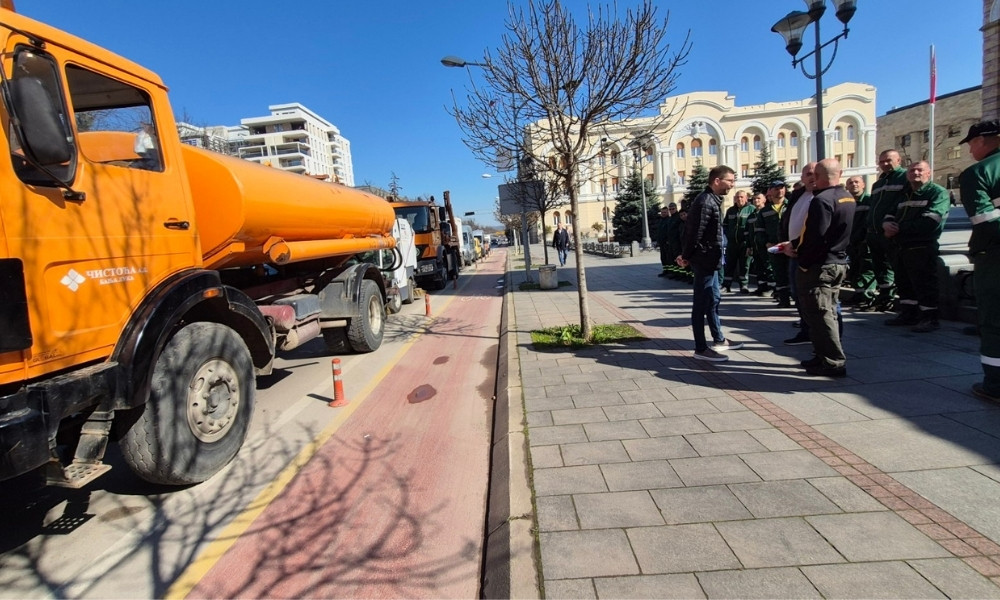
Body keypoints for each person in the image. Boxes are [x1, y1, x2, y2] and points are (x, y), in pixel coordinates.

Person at [793, 158, 855, 377]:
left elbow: (816, 237)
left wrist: (802, 261)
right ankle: (822, 356)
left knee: (820, 315)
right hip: (837, 261)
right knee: (826, 312)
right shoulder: (847, 197)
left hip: (821, 266)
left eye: (814, 176)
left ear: (818, 177)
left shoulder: (822, 200)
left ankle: (833, 362)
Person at [677, 165, 744, 362]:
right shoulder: (705, 202)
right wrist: (686, 256)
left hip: (712, 260)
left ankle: (718, 338)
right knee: (701, 303)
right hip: (704, 260)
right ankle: (700, 348)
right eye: (730, 181)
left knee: (713, 298)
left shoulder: (713, 200)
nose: (732, 185)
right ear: (717, 181)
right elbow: (694, 233)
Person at [958, 119, 1000, 402]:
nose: (970, 149)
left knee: (995, 320)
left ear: (985, 140)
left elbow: (985, 221)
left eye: (971, 143)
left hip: (995, 257)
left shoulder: (978, 172)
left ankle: (995, 385)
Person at [882, 161, 950, 332]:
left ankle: (930, 318)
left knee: (924, 283)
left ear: (929, 173)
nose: (915, 173)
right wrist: (886, 224)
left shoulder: (937, 192)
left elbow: (930, 221)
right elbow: (889, 213)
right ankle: (909, 313)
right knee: (904, 282)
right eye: (912, 170)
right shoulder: (904, 193)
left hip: (921, 246)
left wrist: (898, 229)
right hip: (900, 246)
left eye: (920, 170)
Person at [867, 150, 908, 311]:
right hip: (874, 233)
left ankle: (893, 298)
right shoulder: (878, 183)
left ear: (898, 160)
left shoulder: (904, 177)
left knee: (894, 268)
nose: (884, 164)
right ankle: (884, 297)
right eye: (881, 161)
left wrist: (890, 222)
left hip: (890, 233)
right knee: (880, 268)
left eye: (888, 160)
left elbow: (902, 202)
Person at [845, 175, 877, 310]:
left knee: (867, 269)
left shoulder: (870, 201)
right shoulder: (847, 203)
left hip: (865, 242)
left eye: (857, 182)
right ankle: (858, 295)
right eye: (851, 183)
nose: (854, 185)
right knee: (855, 269)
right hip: (851, 243)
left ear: (863, 184)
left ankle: (868, 297)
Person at [760, 181, 789, 304]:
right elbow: (760, 231)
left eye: (781, 188)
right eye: (776, 189)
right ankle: (783, 299)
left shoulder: (791, 206)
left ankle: (797, 300)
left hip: (791, 246)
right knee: (779, 273)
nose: (779, 191)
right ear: (770, 191)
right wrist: (766, 243)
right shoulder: (764, 211)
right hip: (774, 247)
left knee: (793, 273)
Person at [722, 190, 754, 293]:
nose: (739, 199)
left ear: (746, 198)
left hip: (744, 243)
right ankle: (726, 285)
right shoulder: (730, 210)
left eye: (741, 197)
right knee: (729, 264)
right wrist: (729, 235)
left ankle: (743, 285)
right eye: (737, 197)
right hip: (732, 243)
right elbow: (725, 225)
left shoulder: (751, 210)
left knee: (744, 265)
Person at [746, 192, 772, 295]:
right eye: (754, 199)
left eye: (758, 198)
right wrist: (749, 246)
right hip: (755, 245)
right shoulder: (751, 216)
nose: (756, 201)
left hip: (765, 245)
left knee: (768, 267)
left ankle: (771, 289)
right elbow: (748, 233)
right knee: (759, 268)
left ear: (764, 200)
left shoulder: (767, 212)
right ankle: (761, 287)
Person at [656, 204, 674, 277]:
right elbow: (659, 232)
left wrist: (668, 240)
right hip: (661, 242)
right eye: (662, 212)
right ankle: (665, 270)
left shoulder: (669, 220)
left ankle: (670, 271)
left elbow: (669, 232)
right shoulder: (661, 221)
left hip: (667, 242)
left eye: (665, 212)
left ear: (668, 213)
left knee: (668, 257)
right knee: (663, 257)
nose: (663, 214)